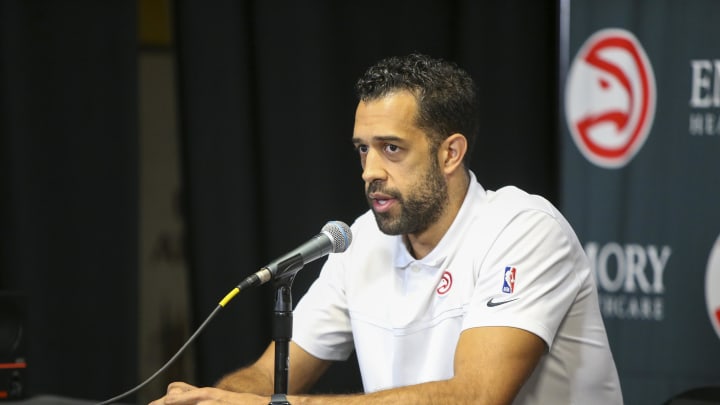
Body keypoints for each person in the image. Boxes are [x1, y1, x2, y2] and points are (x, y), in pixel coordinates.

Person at [150, 53, 623, 404]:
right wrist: (210, 399)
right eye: (362, 149)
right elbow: (265, 378)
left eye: (391, 149)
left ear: (450, 154)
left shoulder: (523, 229)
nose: (369, 171)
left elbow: (477, 396)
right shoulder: (361, 243)